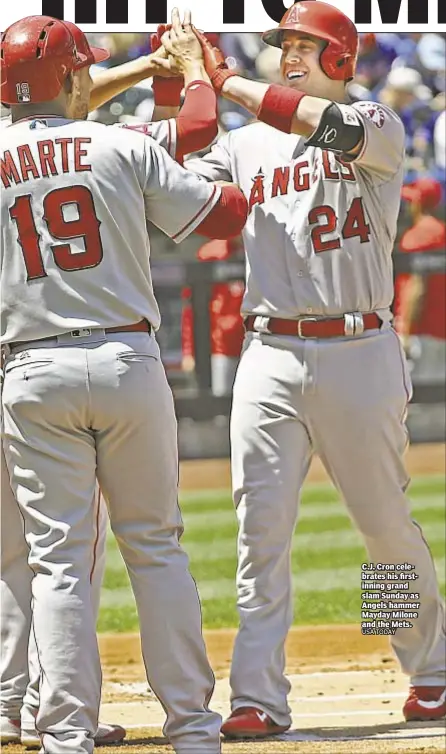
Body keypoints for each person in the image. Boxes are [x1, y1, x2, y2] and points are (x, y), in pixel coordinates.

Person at [168, 1, 445, 737]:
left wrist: (218, 76)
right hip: (270, 351)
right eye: (283, 44)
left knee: (381, 526)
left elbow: (311, 122)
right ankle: (258, 694)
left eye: (305, 45)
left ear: (341, 59)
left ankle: (431, 671)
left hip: (360, 345)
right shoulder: (247, 144)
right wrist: (182, 81)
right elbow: (184, 187)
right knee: (260, 529)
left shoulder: (375, 124)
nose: (289, 55)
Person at [0, 13, 247, 754]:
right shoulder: (119, 143)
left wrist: (145, 72)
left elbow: (54, 106)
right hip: (123, 358)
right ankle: (194, 730)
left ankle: (65, 736)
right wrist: (195, 75)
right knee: (156, 546)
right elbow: (223, 213)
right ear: (75, 77)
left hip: (30, 368)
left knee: (58, 566)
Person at [393, 177, 445, 412]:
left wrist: (405, 331)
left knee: (418, 406)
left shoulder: (419, 234)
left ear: (419, 203)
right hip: (438, 330)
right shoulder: (440, 230)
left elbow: (417, 288)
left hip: (422, 331)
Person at [181, 237, 245, 396]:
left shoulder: (262, 250)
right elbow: (191, 309)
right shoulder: (210, 253)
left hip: (258, 346)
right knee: (222, 409)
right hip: (221, 348)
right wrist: (189, 352)